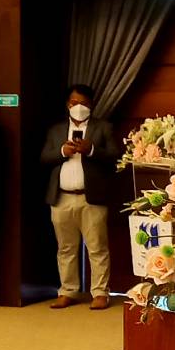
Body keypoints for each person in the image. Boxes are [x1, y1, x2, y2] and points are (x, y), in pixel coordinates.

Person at [41, 84, 121, 310]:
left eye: (83, 103)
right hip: (61, 198)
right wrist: (62, 152)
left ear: (91, 105)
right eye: (74, 103)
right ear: (67, 104)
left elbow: (115, 156)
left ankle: (100, 292)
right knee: (66, 248)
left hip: (91, 198)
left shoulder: (103, 128)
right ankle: (68, 291)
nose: (78, 107)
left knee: (97, 248)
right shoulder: (56, 130)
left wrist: (92, 150)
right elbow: (44, 157)